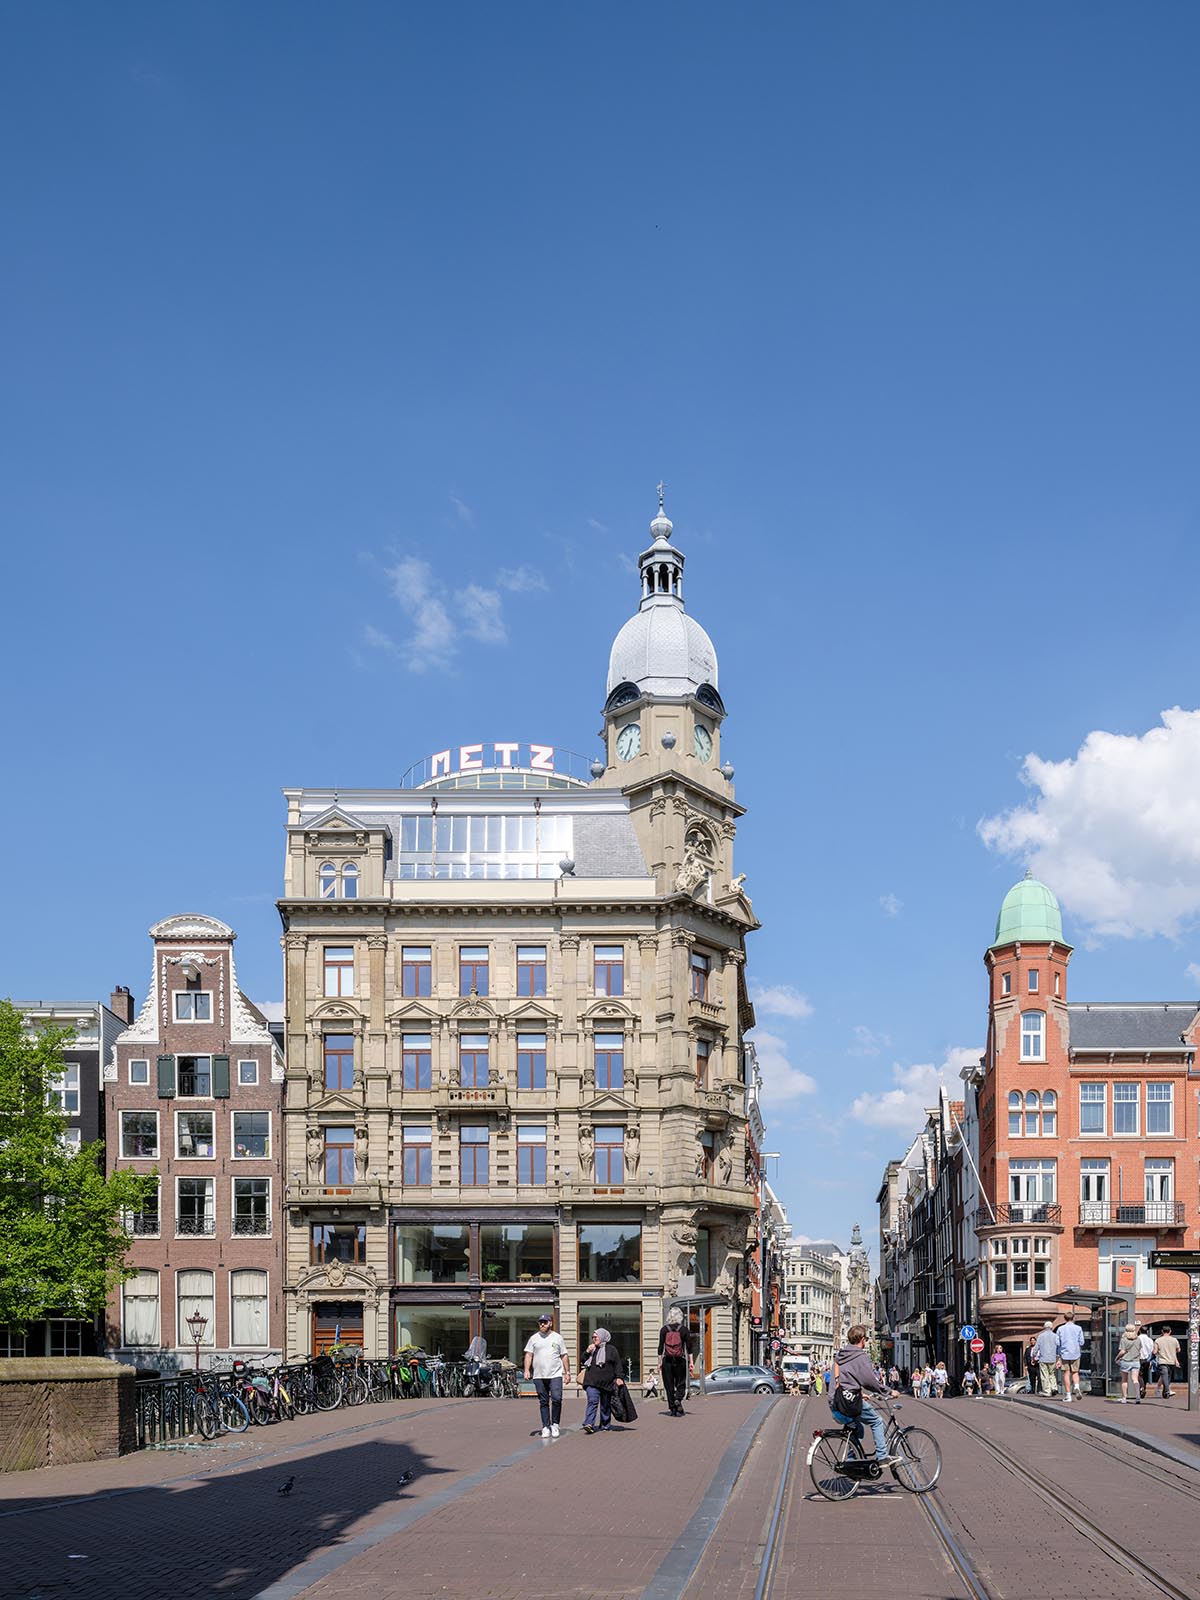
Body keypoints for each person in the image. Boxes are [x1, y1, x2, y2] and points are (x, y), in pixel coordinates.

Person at [829, 1324, 898, 1465]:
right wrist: (889, 1391)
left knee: (858, 1429)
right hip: (849, 1404)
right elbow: (870, 1382)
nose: (865, 1341)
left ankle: (851, 1462)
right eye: (866, 1338)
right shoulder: (860, 1356)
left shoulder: (840, 1355)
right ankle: (882, 1456)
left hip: (835, 1403)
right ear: (861, 1339)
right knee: (877, 1421)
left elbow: (846, 1380)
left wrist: (860, 1395)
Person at [523, 1312, 571, 1438]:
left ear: (550, 1323)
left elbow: (564, 1355)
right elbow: (528, 1355)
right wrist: (527, 1370)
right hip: (539, 1375)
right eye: (540, 1322)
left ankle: (555, 1424)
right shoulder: (534, 1338)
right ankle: (545, 1426)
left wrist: (567, 1372)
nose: (542, 1324)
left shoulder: (557, 1338)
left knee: (556, 1398)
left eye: (545, 1322)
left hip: (555, 1374)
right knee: (543, 1402)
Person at [578, 1327, 626, 1433]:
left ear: (603, 1337)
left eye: (596, 1336)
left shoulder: (611, 1349)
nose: (594, 1339)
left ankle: (605, 1424)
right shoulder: (592, 1349)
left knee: (605, 1405)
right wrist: (587, 1351)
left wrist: (619, 1377)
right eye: (593, 1337)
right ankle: (589, 1423)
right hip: (591, 1381)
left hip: (607, 1383)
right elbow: (582, 1360)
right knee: (592, 1401)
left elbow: (618, 1364)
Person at [657, 1307, 695, 1417]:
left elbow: (660, 1348)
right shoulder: (684, 1330)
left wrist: (659, 1363)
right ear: (680, 1316)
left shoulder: (664, 1330)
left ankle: (672, 1409)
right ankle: (678, 1399)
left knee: (669, 1386)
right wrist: (691, 1362)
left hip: (667, 1361)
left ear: (669, 1316)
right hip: (680, 1360)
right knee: (681, 1383)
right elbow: (689, 1348)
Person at [1056, 1313, 1086, 1403]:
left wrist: (1058, 1355)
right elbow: (1082, 1342)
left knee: (1066, 1373)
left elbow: (1057, 1343)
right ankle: (1076, 1386)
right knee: (1075, 1372)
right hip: (1075, 1353)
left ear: (1064, 1318)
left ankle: (1068, 1395)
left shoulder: (1060, 1329)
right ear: (1073, 1318)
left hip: (1064, 1353)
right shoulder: (1078, 1328)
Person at [1154, 1325, 1181, 1399]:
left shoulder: (1158, 1340)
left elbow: (1155, 1351)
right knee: (1168, 1377)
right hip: (1171, 1361)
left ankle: (1166, 1392)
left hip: (1162, 1361)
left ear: (1162, 1331)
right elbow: (1178, 1350)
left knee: (1164, 1376)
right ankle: (1167, 1391)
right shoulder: (1174, 1340)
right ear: (1170, 1331)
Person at [1117, 1323, 1142, 1403]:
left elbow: (1122, 1351)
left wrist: (1117, 1358)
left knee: (1124, 1380)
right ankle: (1138, 1396)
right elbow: (1139, 1349)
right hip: (1136, 1361)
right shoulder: (1138, 1339)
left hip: (1125, 1361)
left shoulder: (1123, 1339)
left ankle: (1124, 1398)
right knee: (1135, 1379)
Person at [1034, 1321, 1059, 1397]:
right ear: (1051, 1327)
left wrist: (1034, 1355)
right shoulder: (1055, 1336)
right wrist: (1058, 1356)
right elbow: (1058, 1346)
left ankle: (1047, 1391)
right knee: (1052, 1374)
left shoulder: (1041, 1336)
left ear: (1044, 1327)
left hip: (1043, 1358)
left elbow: (1036, 1347)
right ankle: (1054, 1388)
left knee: (1045, 1375)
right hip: (1052, 1358)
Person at [1137, 1326, 1155, 1399]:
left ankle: (1141, 1388)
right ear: (1147, 1332)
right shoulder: (1150, 1340)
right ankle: (1144, 1388)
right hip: (1147, 1360)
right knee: (1145, 1375)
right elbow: (1152, 1351)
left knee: (1138, 1374)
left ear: (1140, 1331)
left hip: (1139, 1359)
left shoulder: (1137, 1339)